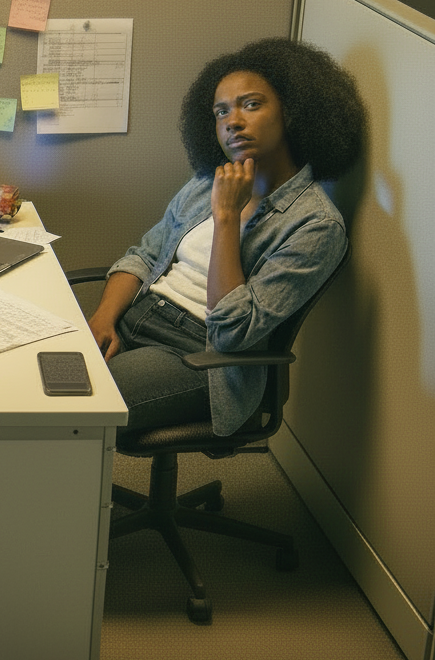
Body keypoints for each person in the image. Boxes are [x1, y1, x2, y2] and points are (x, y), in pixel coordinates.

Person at [87, 37, 366, 436]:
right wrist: (102, 318)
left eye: (251, 104)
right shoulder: (208, 181)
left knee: (71, 408)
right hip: (138, 316)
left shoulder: (315, 225)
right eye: (221, 111)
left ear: (294, 111)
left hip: (200, 355)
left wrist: (227, 218)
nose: (232, 121)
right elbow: (144, 255)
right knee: (32, 378)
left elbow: (233, 332)